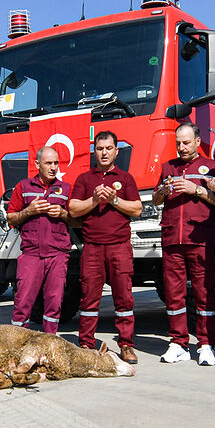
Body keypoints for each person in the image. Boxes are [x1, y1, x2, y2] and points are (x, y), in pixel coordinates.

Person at [153, 123, 215, 366]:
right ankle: (178, 342)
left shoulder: (213, 167)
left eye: (186, 143)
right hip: (172, 238)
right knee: (174, 295)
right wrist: (162, 191)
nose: (182, 148)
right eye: (178, 144)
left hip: (199, 238)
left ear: (197, 141)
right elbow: (155, 199)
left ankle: (205, 344)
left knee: (204, 293)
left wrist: (199, 191)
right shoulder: (168, 167)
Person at [69, 131, 142, 362]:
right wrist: (94, 200)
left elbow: (137, 209)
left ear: (116, 151)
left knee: (124, 297)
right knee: (89, 297)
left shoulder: (126, 178)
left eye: (108, 148)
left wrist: (114, 200)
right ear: (95, 151)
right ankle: (86, 343)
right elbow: (72, 209)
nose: (104, 153)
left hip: (119, 246)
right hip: (92, 247)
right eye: (100, 149)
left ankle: (126, 344)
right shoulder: (84, 179)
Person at [6, 146, 72, 334]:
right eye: (48, 163)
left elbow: (77, 221)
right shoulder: (24, 187)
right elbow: (11, 218)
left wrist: (63, 213)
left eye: (56, 163)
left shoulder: (65, 189)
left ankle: (49, 344)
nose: (53, 167)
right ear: (37, 164)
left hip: (58, 254)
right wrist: (29, 211)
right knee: (23, 302)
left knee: (54, 302)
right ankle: (16, 344)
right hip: (31, 254)